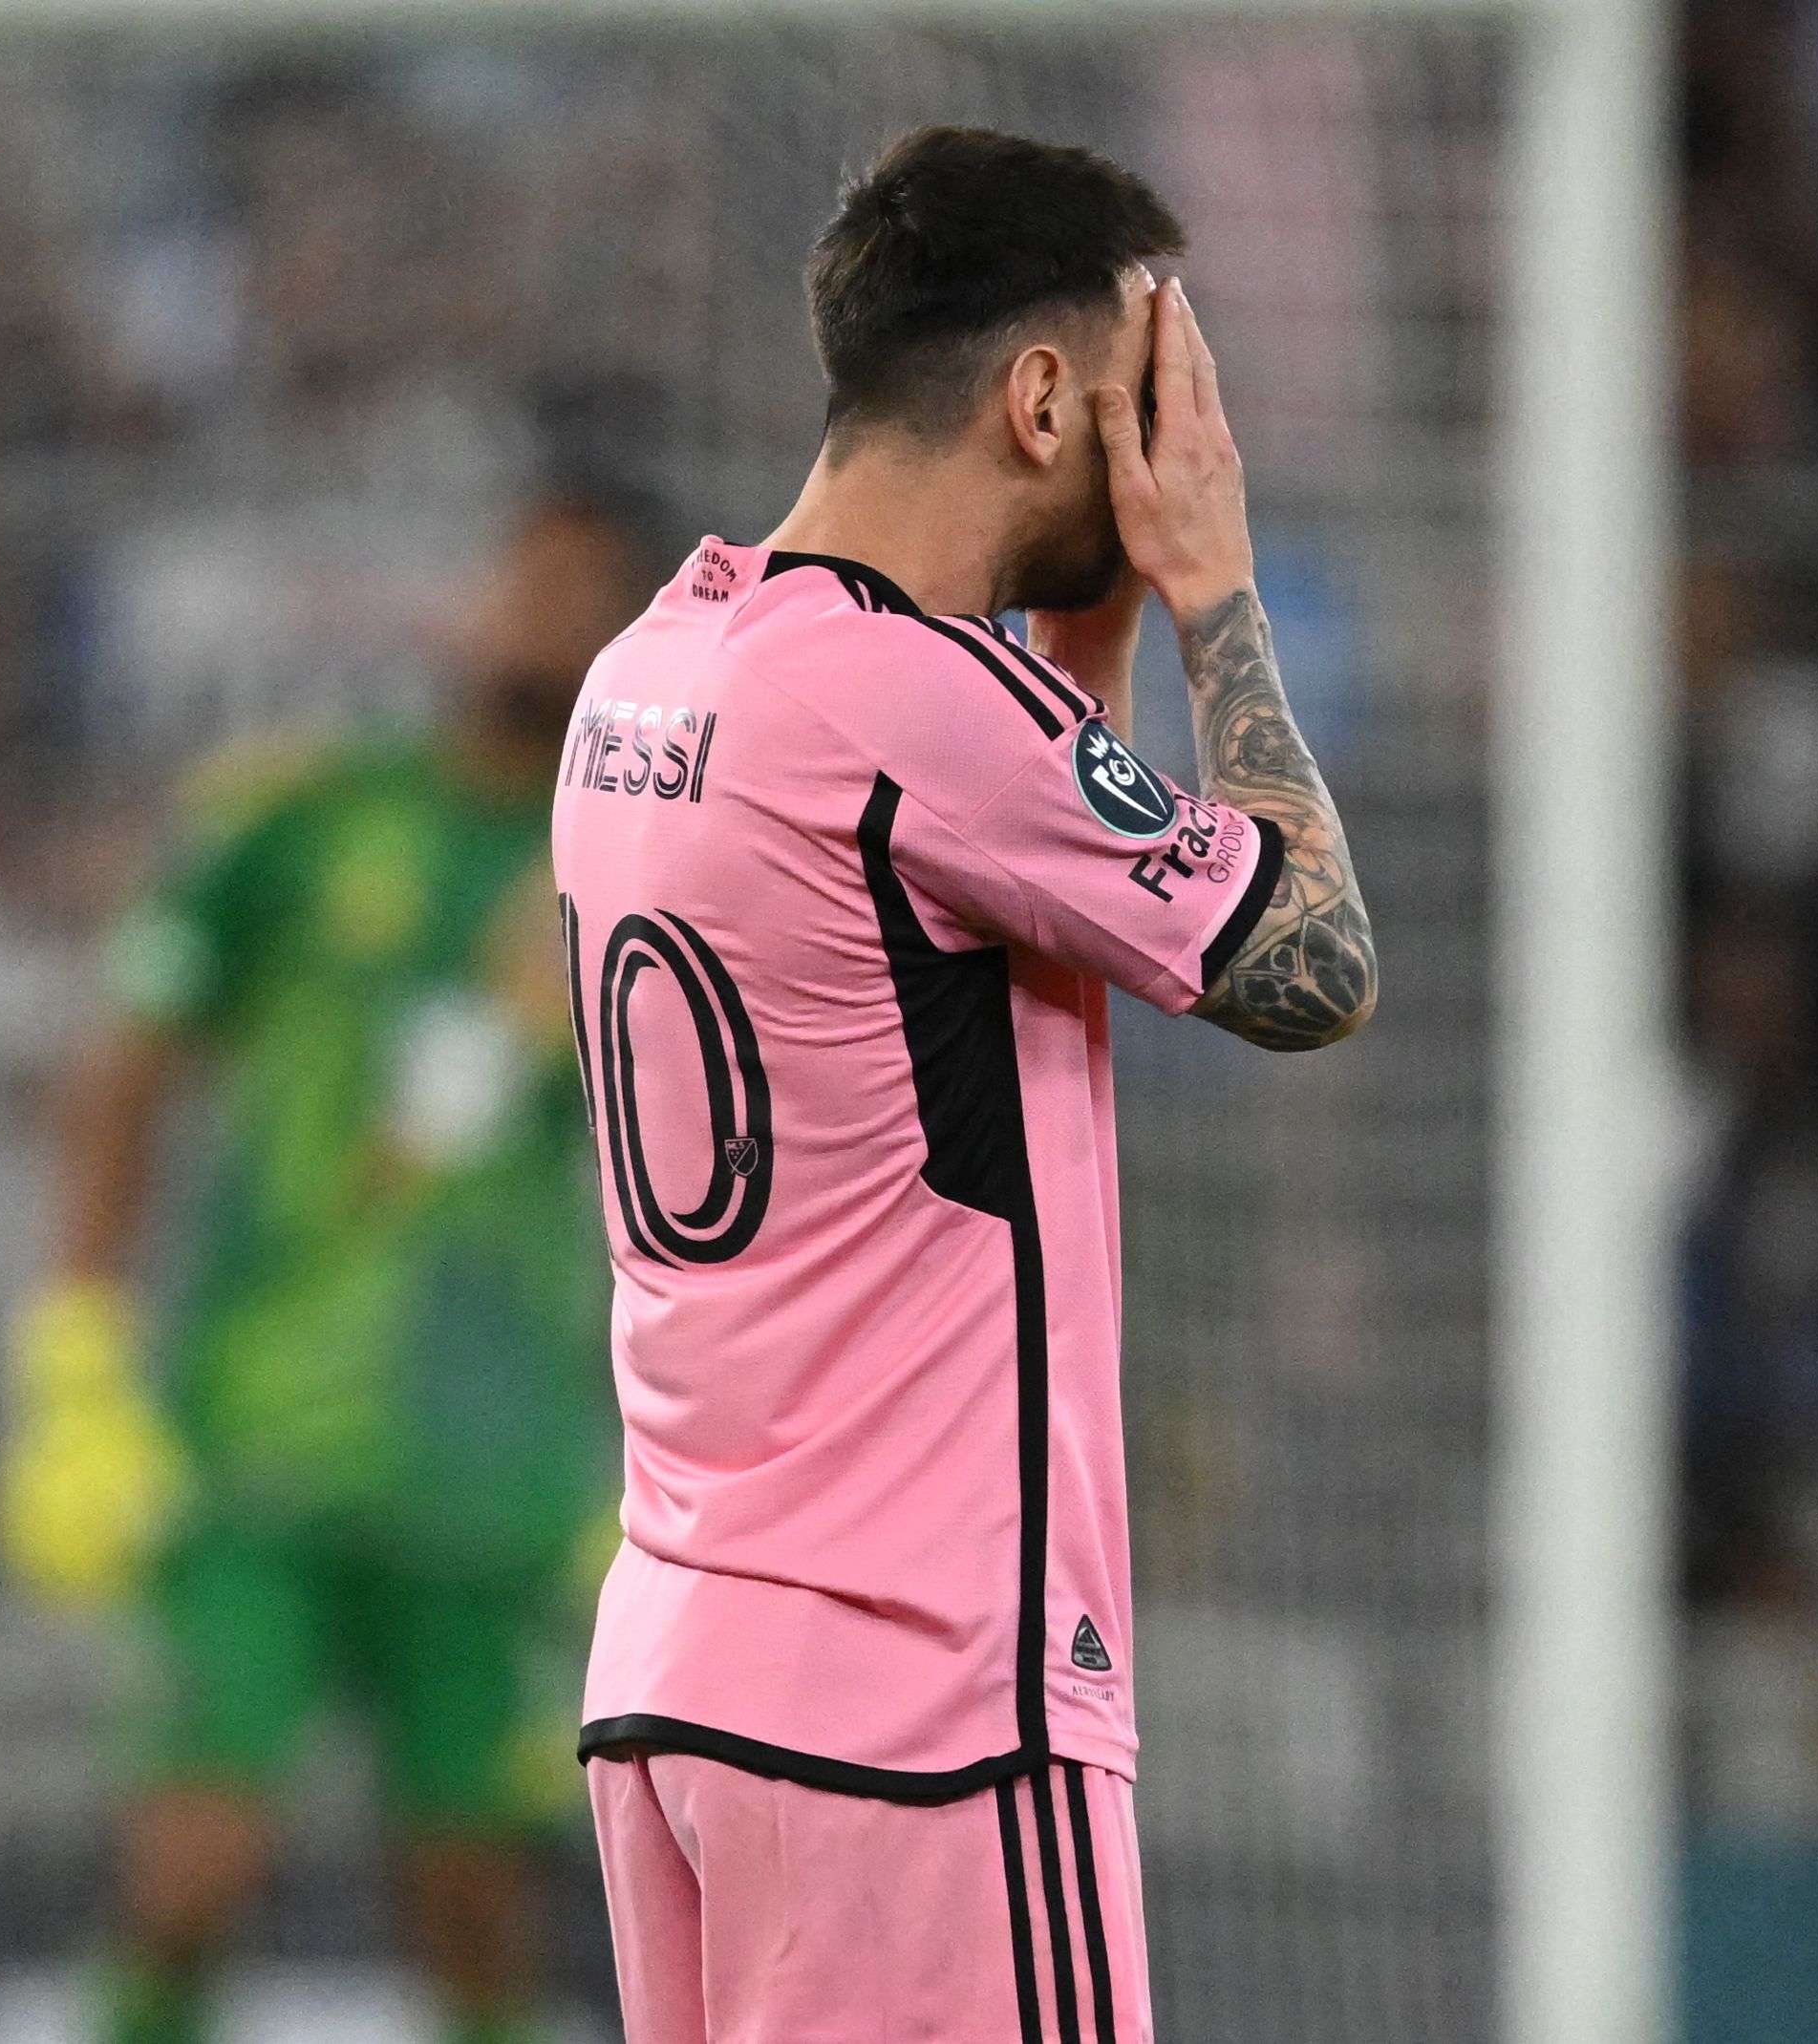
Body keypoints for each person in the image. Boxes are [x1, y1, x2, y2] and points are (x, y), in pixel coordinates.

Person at [554, 126, 1376, 2043]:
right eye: (1144, 397)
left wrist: (1070, 637)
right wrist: (1209, 589)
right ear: (1035, 397)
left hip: (687, 1678)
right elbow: (1309, 964)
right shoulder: (911, 703)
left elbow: (958, 931)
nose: (1177, 445)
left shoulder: (654, 674)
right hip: (926, 1711)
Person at [0, 494, 647, 2044]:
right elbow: (129, 1073)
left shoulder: (626, 881)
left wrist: (653, 1468)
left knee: (480, 1908)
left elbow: (685, 1197)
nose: (531, 613)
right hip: (258, 1443)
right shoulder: (299, 816)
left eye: (576, 592)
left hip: (493, 1471)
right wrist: (75, 1360)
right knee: (191, 1869)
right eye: (520, 571)